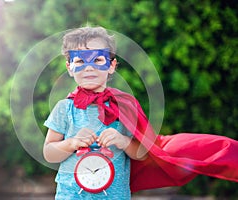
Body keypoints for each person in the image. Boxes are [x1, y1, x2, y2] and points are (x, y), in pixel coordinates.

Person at [43, 26, 238, 199]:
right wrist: (71, 143)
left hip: (115, 195)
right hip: (70, 194)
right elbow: (49, 153)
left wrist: (123, 141)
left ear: (111, 65)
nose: (89, 68)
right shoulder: (64, 108)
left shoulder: (124, 105)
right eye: (80, 61)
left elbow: (143, 153)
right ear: (69, 67)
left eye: (98, 59)